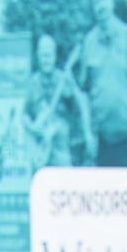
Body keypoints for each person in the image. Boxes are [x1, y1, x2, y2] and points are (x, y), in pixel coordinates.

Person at [79, 0, 127, 167]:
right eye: (96, 2)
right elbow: (83, 93)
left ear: (112, 1)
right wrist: (87, 133)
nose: (100, 6)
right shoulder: (89, 42)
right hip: (100, 143)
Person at [22, 34, 91, 169]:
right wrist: (33, 128)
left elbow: (80, 107)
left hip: (60, 148)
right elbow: (25, 114)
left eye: (48, 55)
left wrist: (72, 86)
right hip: (39, 147)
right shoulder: (32, 83)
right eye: (43, 56)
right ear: (38, 57)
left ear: (54, 56)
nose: (46, 60)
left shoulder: (63, 80)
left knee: (64, 185)